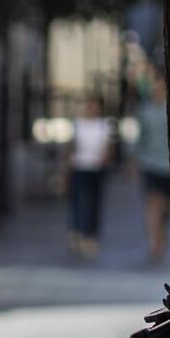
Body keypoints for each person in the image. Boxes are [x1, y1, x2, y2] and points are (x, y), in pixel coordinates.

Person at [66, 95, 115, 259]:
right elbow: (70, 146)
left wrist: (105, 158)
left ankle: (91, 235)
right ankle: (77, 231)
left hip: (96, 168)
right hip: (79, 166)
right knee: (78, 201)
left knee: (94, 202)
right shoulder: (77, 124)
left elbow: (109, 147)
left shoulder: (104, 125)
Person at [131, 69, 170, 264]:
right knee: (154, 204)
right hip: (151, 164)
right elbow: (138, 138)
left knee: (168, 207)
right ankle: (155, 241)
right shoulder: (145, 111)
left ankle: (160, 235)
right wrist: (133, 160)